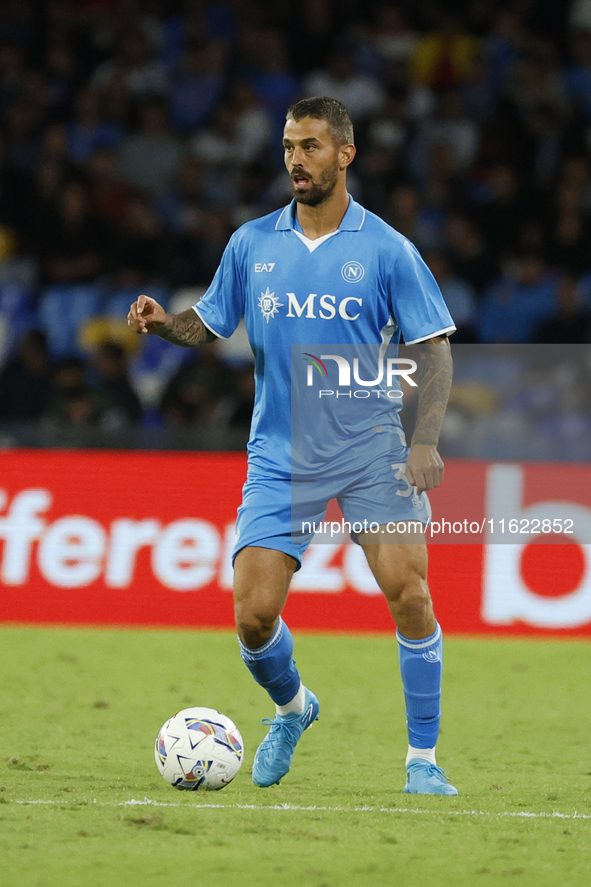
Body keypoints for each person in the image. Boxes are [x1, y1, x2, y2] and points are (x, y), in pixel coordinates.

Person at [128, 96, 457, 795]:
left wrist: (424, 440)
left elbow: (434, 351)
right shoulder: (252, 243)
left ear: (344, 154)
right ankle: (292, 707)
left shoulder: (387, 249)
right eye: (286, 147)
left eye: (309, 146)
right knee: (251, 616)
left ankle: (421, 761)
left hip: (371, 448)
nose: (294, 160)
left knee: (409, 592)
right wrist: (163, 324)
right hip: (280, 451)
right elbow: (208, 324)